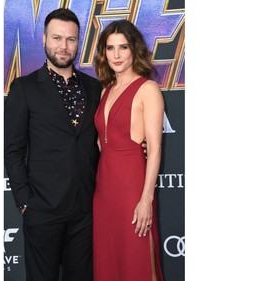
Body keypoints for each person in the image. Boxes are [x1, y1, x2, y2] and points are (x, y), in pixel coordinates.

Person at [4, 8, 103, 281]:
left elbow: (102, 138)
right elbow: (12, 150)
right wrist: (25, 202)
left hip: (85, 209)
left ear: (78, 42)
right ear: (45, 39)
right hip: (42, 209)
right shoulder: (24, 88)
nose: (63, 46)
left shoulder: (94, 88)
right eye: (57, 38)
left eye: (71, 39)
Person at [93, 19, 165, 281]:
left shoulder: (148, 89)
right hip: (104, 190)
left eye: (123, 47)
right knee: (109, 261)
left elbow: (155, 150)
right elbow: (103, 143)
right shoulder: (105, 91)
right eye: (110, 48)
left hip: (132, 188)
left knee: (138, 261)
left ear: (134, 49)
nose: (116, 55)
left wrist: (146, 199)